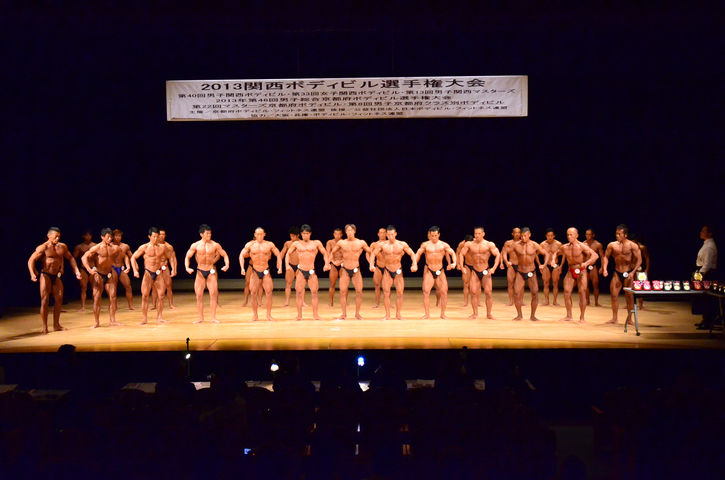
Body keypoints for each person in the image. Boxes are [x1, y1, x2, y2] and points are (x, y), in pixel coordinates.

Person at [27, 227, 81, 334]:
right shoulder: (43, 247)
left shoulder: (62, 246)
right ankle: (45, 326)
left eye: (59, 236)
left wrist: (77, 271)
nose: (57, 238)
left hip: (57, 276)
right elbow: (31, 260)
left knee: (59, 299)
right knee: (45, 300)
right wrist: (32, 273)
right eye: (55, 236)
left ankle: (56, 325)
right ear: (49, 236)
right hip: (46, 275)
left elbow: (70, 258)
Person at [368, 225, 418, 320]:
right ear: (386, 235)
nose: (390, 236)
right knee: (386, 293)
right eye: (389, 235)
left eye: (392, 234)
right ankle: (387, 315)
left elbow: (412, 253)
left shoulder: (401, 244)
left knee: (400, 293)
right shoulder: (382, 245)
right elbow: (373, 254)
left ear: (395, 234)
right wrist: (371, 264)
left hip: (398, 270)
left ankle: (398, 314)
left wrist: (414, 264)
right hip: (387, 270)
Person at [184, 224, 230, 324]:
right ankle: (200, 318)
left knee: (213, 294)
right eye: (207, 233)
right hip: (200, 271)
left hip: (211, 271)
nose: (209, 235)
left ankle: (213, 318)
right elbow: (187, 256)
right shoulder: (195, 245)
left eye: (210, 233)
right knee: (199, 295)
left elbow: (225, 255)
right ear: (201, 234)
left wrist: (226, 265)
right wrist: (187, 267)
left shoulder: (215, 245)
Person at [81, 228, 125, 328]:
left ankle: (112, 320)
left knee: (113, 297)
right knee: (97, 298)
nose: (110, 239)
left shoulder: (115, 248)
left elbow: (122, 255)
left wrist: (122, 265)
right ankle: (96, 322)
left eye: (111, 237)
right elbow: (84, 257)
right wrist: (89, 269)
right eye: (108, 237)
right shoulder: (97, 248)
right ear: (102, 237)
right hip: (99, 274)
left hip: (109, 274)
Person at [285, 224, 330, 320]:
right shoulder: (296, 244)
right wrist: (287, 265)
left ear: (310, 234)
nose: (305, 235)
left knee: (314, 293)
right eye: (304, 233)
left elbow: (325, 253)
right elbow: (288, 254)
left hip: (311, 271)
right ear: (301, 234)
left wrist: (326, 263)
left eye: (307, 233)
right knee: (299, 293)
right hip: (301, 271)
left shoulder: (316, 243)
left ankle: (315, 315)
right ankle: (299, 316)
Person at [328, 224, 372, 319]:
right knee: (342, 292)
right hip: (345, 270)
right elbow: (332, 252)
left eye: (351, 230)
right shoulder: (341, 243)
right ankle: (343, 314)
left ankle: (357, 314)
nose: (350, 232)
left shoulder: (361, 242)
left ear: (354, 231)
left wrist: (371, 263)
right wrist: (329, 263)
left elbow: (370, 252)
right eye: (348, 230)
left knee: (359, 291)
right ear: (346, 232)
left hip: (356, 270)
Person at [601, 224, 642, 325]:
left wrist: (633, 272)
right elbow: (606, 257)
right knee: (614, 295)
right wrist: (605, 268)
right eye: (616, 233)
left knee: (629, 297)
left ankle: (630, 319)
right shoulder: (612, 245)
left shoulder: (632, 245)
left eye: (619, 234)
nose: (617, 236)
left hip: (629, 273)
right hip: (617, 272)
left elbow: (639, 260)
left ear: (625, 235)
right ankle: (614, 318)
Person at [132, 227, 174, 325]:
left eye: (157, 237)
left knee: (161, 295)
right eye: (154, 236)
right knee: (145, 296)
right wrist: (135, 270)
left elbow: (171, 257)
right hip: (148, 273)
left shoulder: (162, 247)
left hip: (158, 273)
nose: (156, 238)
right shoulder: (144, 247)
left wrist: (173, 268)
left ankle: (160, 317)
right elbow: (133, 257)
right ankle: (144, 319)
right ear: (149, 236)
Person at [239, 227, 283, 321]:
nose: (259, 236)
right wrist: (242, 268)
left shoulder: (269, 244)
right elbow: (241, 255)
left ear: (264, 234)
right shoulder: (250, 245)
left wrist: (280, 266)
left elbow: (278, 254)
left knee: (269, 293)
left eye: (261, 234)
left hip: (265, 270)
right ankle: (255, 315)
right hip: (255, 271)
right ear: (255, 235)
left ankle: (269, 315)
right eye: (257, 234)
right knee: (253, 293)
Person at [556, 228, 598, 322]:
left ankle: (582, 317)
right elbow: (556, 253)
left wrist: (586, 263)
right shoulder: (565, 247)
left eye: (571, 234)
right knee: (567, 292)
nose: (569, 236)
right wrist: (552, 260)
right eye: (568, 235)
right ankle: (569, 316)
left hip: (581, 271)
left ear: (576, 235)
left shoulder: (582, 246)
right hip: (570, 271)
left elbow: (595, 255)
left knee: (582, 293)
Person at [414, 226, 457, 319]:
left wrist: (454, 263)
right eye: (432, 235)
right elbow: (418, 254)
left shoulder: (443, 245)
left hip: (440, 270)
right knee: (426, 292)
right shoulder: (425, 245)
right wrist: (414, 264)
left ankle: (443, 314)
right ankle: (427, 314)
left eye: (435, 235)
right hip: (429, 270)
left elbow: (452, 253)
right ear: (430, 235)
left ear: (439, 234)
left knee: (444, 292)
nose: (434, 237)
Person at [458, 226, 501, 319]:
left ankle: (489, 314)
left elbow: (498, 254)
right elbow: (461, 254)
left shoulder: (489, 244)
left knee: (488, 293)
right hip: (475, 271)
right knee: (473, 292)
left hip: (485, 271)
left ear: (483, 234)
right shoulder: (469, 244)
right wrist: (461, 266)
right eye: (475, 233)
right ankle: (475, 314)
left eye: (479, 233)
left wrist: (494, 268)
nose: (477, 235)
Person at [511, 227, 549, 321]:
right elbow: (504, 251)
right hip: (520, 271)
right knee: (516, 293)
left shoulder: (534, 245)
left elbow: (546, 254)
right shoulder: (516, 245)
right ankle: (519, 315)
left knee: (535, 293)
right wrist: (506, 261)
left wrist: (543, 265)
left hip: (531, 271)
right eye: (521, 236)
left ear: (529, 235)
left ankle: (533, 316)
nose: (523, 238)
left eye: (525, 236)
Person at [694, 225, 718, 330]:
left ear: (710, 233)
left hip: (707, 274)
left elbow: (707, 265)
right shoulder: (706, 244)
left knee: (708, 299)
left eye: (703, 231)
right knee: (704, 298)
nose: (701, 232)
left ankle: (708, 321)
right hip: (704, 273)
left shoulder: (709, 246)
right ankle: (705, 319)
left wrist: (699, 275)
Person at [154, 228, 178, 310]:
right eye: (160, 234)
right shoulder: (153, 245)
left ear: (165, 236)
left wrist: (174, 269)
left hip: (164, 266)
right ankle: (154, 305)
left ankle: (171, 304)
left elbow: (173, 258)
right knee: (154, 287)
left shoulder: (168, 246)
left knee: (168, 285)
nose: (161, 236)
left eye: (163, 234)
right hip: (155, 267)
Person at [279, 226, 303, 307]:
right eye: (291, 236)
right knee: (288, 284)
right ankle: (287, 301)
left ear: (298, 235)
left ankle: (302, 301)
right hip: (290, 265)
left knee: (301, 285)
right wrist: (279, 262)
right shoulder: (288, 243)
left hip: (300, 266)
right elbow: (282, 253)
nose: (291, 238)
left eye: (293, 236)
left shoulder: (302, 243)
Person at [72, 230, 95, 311]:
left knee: (94, 288)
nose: (88, 237)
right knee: (83, 287)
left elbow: (99, 257)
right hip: (83, 269)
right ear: (83, 236)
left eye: (89, 235)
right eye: (86, 235)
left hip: (92, 268)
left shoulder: (95, 245)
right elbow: (73, 259)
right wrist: (75, 269)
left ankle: (95, 305)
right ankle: (83, 306)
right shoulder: (79, 247)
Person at [112, 229, 135, 310]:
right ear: (112, 237)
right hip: (112, 268)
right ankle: (114, 306)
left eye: (119, 236)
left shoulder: (125, 246)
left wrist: (133, 266)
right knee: (113, 288)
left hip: (121, 268)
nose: (118, 237)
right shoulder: (109, 246)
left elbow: (131, 257)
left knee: (128, 286)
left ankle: (130, 305)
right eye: (116, 236)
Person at [539, 228, 562, 306]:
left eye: (551, 235)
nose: (550, 237)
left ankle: (555, 301)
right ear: (546, 236)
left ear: (554, 236)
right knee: (546, 283)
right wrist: (540, 265)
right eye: (548, 235)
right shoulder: (542, 244)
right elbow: (535, 254)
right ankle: (546, 301)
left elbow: (564, 255)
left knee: (555, 283)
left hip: (555, 265)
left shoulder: (558, 244)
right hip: (546, 266)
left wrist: (561, 266)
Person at [500, 227, 522, 306]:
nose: (517, 234)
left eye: (519, 232)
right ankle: (511, 301)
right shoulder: (508, 243)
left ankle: (520, 300)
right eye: (515, 232)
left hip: (520, 265)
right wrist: (504, 262)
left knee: (520, 285)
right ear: (512, 234)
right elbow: (504, 252)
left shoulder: (523, 242)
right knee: (510, 283)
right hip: (511, 265)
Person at [583, 229, 605, 307]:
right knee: (585, 285)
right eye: (587, 234)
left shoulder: (598, 244)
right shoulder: (583, 244)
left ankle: (596, 302)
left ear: (593, 235)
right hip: (585, 266)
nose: (588, 236)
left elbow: (602, 257)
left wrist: (602, 267)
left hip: (593, 266)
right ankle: (587, 301)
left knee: (595, 284)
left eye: (590, 234)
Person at [369, 227, 388, 308]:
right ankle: (377, 303)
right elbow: (368, 254)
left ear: (386, 234)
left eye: (384, 232)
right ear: (378, 234)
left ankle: (388, 303)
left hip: (387, 267)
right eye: (381, 232)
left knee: (387, 287)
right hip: (378, 267)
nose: (382, 234)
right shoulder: (374, 244)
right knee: (377, 285)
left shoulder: (389, 243)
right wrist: (371, 264)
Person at [326, 227, 344, 307]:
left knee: (343, 285)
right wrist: (333, 262)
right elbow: (328, 254)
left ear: (341, 234)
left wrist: (341, 261)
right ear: (333, 234)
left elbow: (347, 254)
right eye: (336, 234)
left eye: (339, 234)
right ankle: (331, 301)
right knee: (332, 284)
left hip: (342, 264)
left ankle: (345, 301)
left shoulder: (344, 242)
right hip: (334, 264)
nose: (337, 236)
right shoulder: (330, 242)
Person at [456, 234, 474, 307]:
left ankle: (478, 302)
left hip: (476, 266)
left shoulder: (476, 243)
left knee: (476, 285)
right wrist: (458, 264)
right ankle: (466, 302)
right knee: (466, 284)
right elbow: (458, 254)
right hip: (467, 265)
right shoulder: (461, 244)